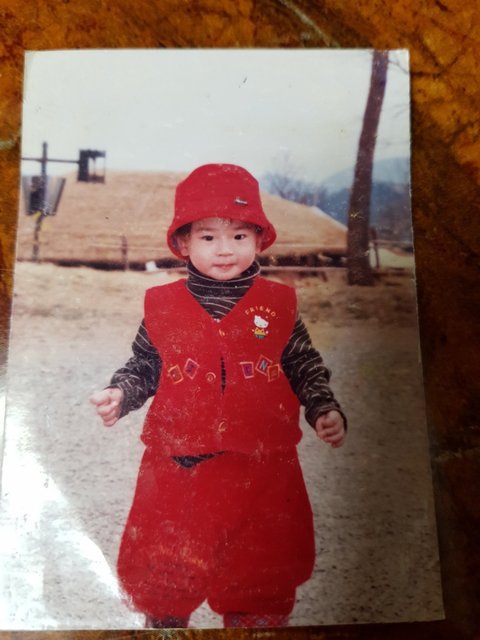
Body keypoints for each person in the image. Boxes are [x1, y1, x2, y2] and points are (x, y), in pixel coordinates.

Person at [91, 163, 346, 629]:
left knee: (259, 563)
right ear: (183, 243)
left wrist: (322, 407)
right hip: (179, 465)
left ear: (259, 240)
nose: (225, 249)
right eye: (208, 237)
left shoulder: (278, 305)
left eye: (239, 236)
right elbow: (145, 364)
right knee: (168, 559)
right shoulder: (163, 306)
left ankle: (255, 624)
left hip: (262, 466)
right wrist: (120, 392)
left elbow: (304, 364)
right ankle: (165, 624)